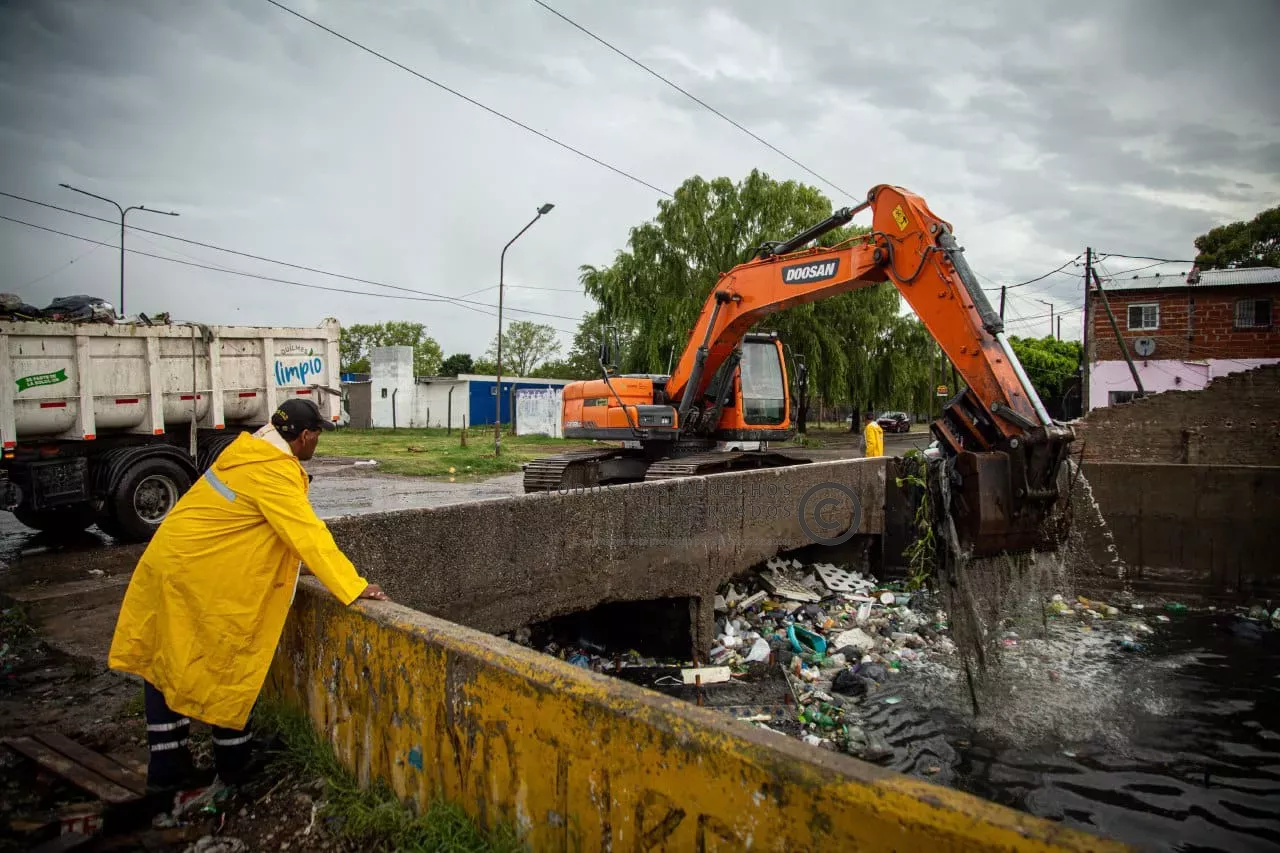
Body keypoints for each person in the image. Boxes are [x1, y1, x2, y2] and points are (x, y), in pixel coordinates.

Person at [108, 398, 388, 794]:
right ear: (305, 436)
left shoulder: (250, 451)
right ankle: (233, 763)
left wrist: (297, 568)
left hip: (173, 564)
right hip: (197, 574)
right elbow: (307, 533)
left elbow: (255, 528)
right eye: (318, 437)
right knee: (231, 656)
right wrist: (353, 585)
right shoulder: (273, 471)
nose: (317, 446)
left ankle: (170, 767)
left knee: (165, 660)